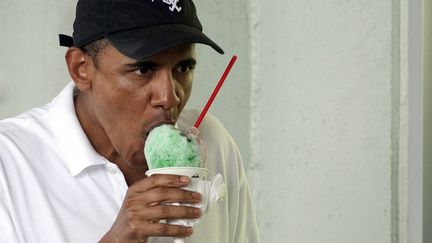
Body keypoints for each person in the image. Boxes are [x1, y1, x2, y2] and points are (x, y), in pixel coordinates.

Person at [0, 0, 259, 242]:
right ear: (81, 68)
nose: (169, 97)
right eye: (144, 70)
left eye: (183, 68)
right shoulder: (10, 162)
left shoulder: (213, 142)